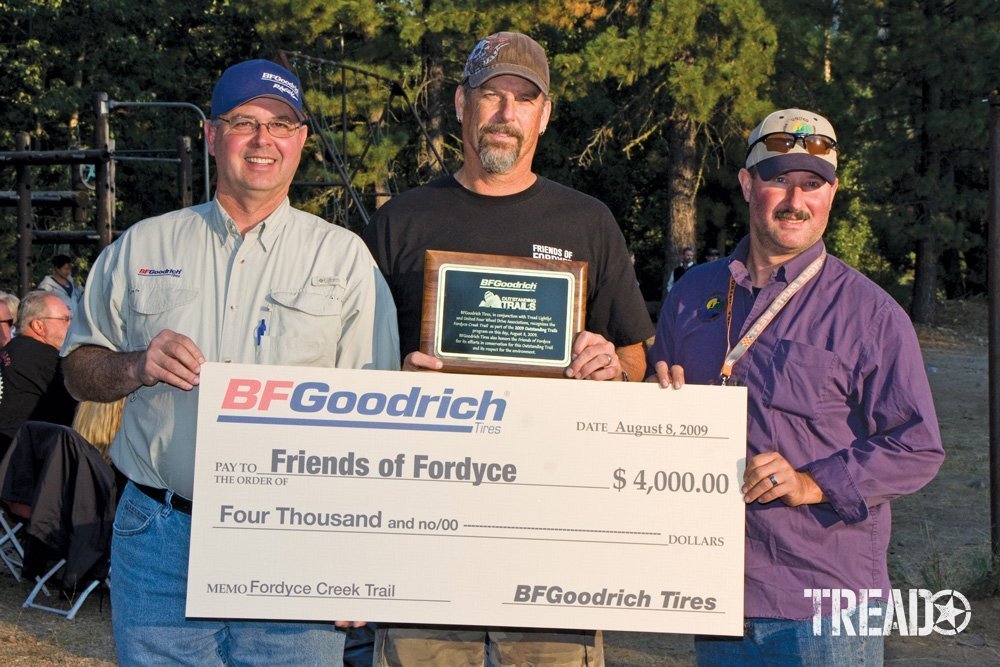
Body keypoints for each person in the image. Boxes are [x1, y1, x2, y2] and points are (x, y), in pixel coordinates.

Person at [61, 58, 400, 665]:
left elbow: (376, 422)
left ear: (300, 142)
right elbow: (77, 366)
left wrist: (358, 555)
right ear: (212, 135)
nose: (263, 139)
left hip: (296, 541)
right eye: (244, 121)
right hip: (161, 538)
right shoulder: (143, 244)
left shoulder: (346, 261)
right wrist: (136, 365)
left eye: (281, 123)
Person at [363, 31, 653, 667]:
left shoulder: (588, 223)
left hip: (552, 535)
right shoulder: (400, 222)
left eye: (523, 101)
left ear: (543, 116)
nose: (505, 114)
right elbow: (356, 373)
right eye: (491, 96)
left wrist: (613, 374)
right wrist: (394, 382)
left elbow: (636, 358)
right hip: (426, 537)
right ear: (462, 104)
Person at [649, 108, 944, 664]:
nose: (795, 199)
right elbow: (650, 413)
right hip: (714, 593)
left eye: (813, 184)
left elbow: (918, 446)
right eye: (779, 179)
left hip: (823, 606)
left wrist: (813, 482)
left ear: (831, 195)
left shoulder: (871, 315)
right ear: (747, 183)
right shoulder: (693, 294)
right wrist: (655, 396)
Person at [0, 291, 77, 458]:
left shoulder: (14, 349)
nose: (72, 325)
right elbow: (80, 406)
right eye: (65, 319)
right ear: (38, 326)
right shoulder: (45, 359)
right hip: (23, 461)